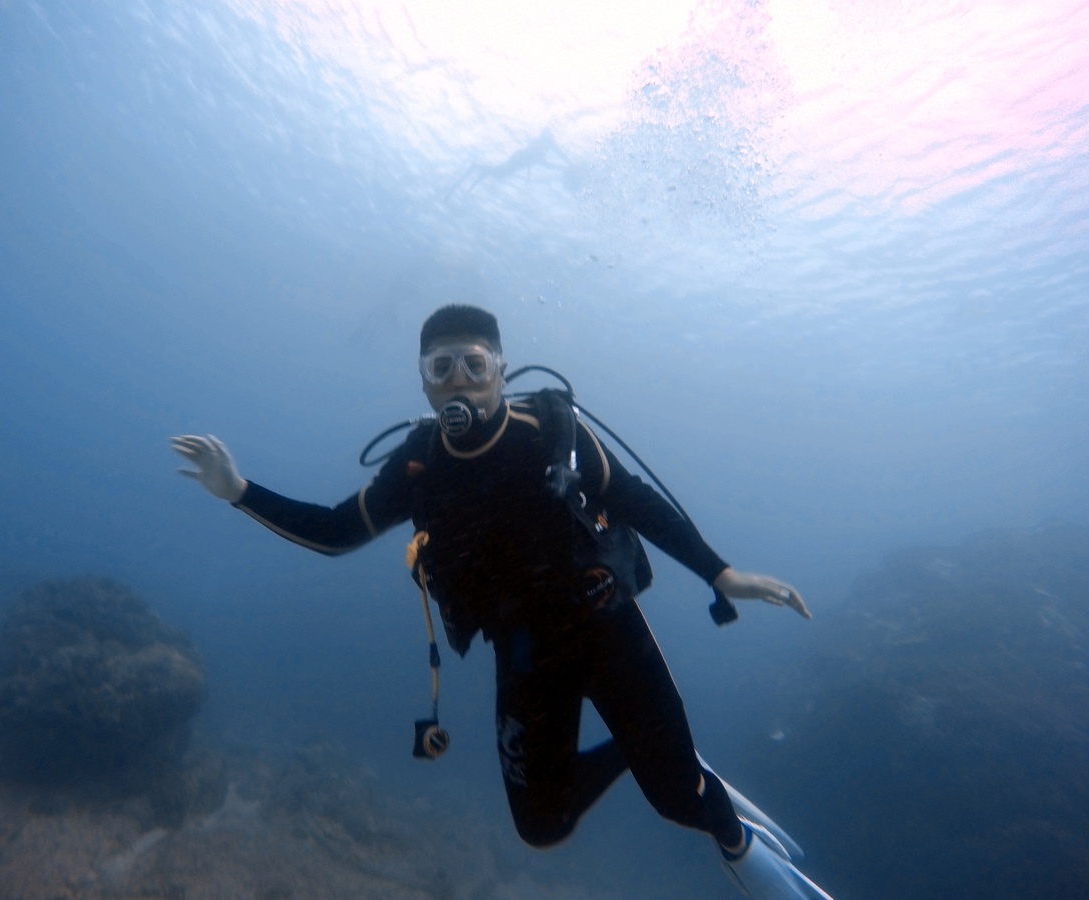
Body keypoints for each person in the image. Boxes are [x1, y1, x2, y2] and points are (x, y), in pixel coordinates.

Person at [172, 305, 833, 899]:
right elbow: (338, 531)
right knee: (542, 827)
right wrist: (237, 490)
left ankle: (737, 847)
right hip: (522, 653)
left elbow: (638, 502)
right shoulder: (418, 463)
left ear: (500, 370)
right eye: (442, 366)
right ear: (424, 381)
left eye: (475, 363)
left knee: (680, 801)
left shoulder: (552, 432)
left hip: (605, 625)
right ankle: (652, 749)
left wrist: (721, 574)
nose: (460, 378)